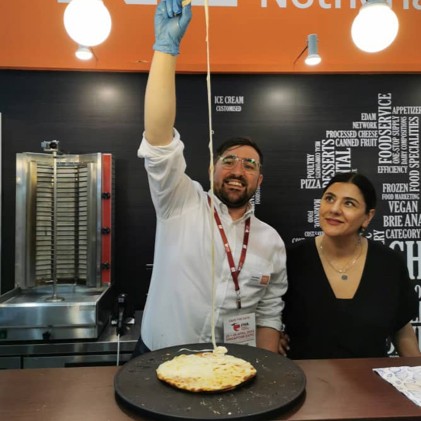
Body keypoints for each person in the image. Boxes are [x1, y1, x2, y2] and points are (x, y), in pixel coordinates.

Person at [132, 0, 288, 357]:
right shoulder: (180, 201)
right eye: (229, 160)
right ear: (210, 170)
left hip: (231, 364)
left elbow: (269, 311)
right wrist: (164, 50)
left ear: (259, 181)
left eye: (249, 165)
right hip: (159, 358)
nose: (237, 170)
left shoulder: (271, 241)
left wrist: (265, 369)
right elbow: (158, 141)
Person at [281, 172, 421, 359]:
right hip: (306, 383)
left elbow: (403, 331)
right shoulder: (291, 260)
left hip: (373, 383)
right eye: (329, 199)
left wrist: (416, 378)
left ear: (367, 217)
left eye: (349, 203)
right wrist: (272, 335)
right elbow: (266, 315)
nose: (335, 209)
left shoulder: (389, 264)